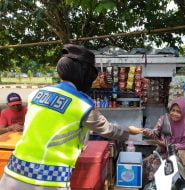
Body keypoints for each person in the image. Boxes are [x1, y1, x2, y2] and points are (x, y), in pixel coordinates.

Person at [0, 44, 141, 190]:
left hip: (12, 173)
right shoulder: (81, 105)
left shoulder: (36, 94)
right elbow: (109, 130)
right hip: (48, 181)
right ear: (85, 76)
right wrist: (130, 132)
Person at [142, 96, 185, 185]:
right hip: (161, 151)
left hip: (175, 154)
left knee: (169, 168)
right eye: (173, 110)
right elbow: (155, 132)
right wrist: (149, 133)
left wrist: (168, 145)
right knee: (149, 163)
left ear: (183, 112)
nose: (174, 114)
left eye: (178, 112)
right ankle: (153, 185)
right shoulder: (164, 119)